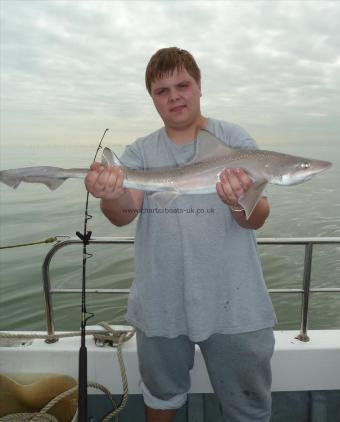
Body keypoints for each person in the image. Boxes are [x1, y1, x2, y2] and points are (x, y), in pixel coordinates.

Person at [85, 47, 277, 422]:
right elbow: (125, 214)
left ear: (199, 86)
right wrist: (112, 195)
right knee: (161, 398)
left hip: (235, 302)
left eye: (183, 85)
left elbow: (257, 218)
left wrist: (238, 201)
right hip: (161, 303)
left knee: (248, 409)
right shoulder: (140, 151)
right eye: (162, 90)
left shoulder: (234, 139)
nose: (174, 96)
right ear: (153, 99)